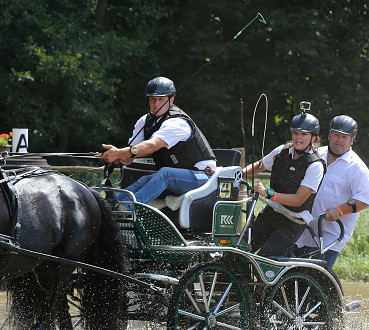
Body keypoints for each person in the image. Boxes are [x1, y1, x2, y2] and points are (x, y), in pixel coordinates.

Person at [96, 76, 216, 204]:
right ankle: (110, 207)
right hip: (175, 178)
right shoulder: (144, 122)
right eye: (153, 99)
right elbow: (131, 155)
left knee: (165, 174)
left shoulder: (177, 122)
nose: (156, 104)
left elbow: (151, 146)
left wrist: (120, 152)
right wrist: (119, 157)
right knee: (144, 180)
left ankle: (127, 209)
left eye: (161, 99)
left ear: (171, 100)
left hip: (202, 177)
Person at [241, 103, 325, 257]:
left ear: (313, 138)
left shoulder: (315, 165)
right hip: (270, 214)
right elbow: (259, 166)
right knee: (241, 251)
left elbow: (299, 200)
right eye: (295, 133)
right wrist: (238, 174)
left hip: (291, 223)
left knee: (264, 261)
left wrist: (269, 193)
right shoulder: (282, 151)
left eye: (304, 134)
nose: (298, 138)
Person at [294, 115, 369, 268]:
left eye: (344, 137)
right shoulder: (314, 154)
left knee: (318, 278)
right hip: (303, 227)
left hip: (331, 235)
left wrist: (339, 211)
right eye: (336, 135)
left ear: (352, 140)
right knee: (293, 275)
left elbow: (363, 200)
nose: (339, 140)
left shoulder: (357, 168)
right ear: (329, 135)